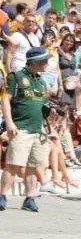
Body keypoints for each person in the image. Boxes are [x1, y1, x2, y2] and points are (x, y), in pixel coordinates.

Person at [0, 47, 51, 212]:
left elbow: (40, 104)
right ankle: (2, 196)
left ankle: (30, 198)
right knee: (13, 164)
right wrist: (9, 122)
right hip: (21, 127)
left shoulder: (41, 81)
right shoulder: (16, 76)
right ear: (35, 62)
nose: (47, 63)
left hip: (38, 129)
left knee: (33, 166)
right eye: (44, 60)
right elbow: (5, 99)